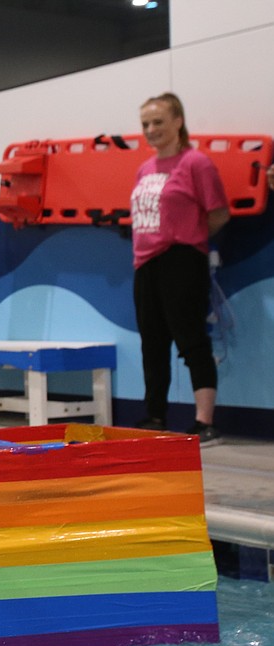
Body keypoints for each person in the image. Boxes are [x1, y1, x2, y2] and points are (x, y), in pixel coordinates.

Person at [130, 92, 229, 446]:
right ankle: (155, 414)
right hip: (146, 262)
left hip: (182, 259)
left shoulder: (196, 163)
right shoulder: (145, 168)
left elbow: (217, 212)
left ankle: (204, 422)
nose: (151, 129)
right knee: (152, 343)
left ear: (177, 122)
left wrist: (190, 238)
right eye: (145, 124)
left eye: (158, 121)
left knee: (190, 340)